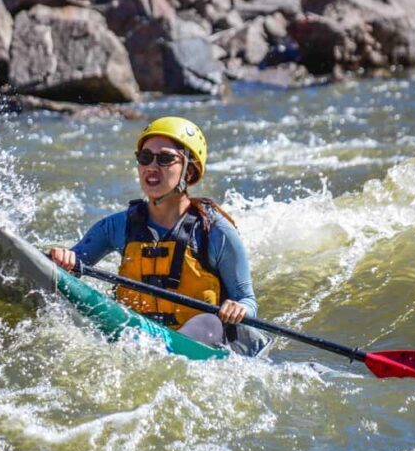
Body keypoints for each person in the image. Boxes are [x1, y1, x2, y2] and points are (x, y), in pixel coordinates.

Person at [50, 116, 267, 356]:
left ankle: (168, 356)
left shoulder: (215, 232)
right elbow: (70, 265)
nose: (152, 166)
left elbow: (248, 301)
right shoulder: (116, 226)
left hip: (205, 338)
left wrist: (238, 309)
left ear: (189, 170)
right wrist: (64, 259)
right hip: (141, 338)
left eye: (165, 159)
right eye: (145, 158)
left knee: (209, 321)